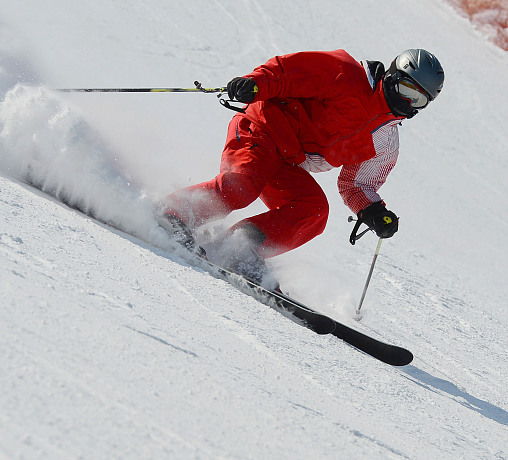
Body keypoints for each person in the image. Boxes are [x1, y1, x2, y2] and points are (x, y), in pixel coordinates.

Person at [156, 48, 444, 289]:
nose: (407, 102)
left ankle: (238, 249)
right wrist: (255, 83)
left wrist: (373, 211)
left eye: (418, 100)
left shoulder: (384, 138)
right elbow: (287, 71)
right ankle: (171, 214)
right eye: (406, 90)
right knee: (240, 188)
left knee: (313, 211)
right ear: (393, 77)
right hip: (262, 129)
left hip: (287, 160)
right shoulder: (345, 74)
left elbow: (356, 185)